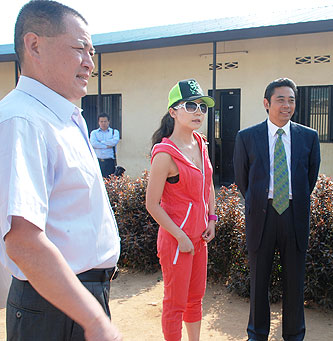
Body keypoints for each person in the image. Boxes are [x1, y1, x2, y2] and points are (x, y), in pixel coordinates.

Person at [0, 1, 122, 340]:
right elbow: (24, 241)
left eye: (92, 52)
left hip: (73, 299)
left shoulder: (62, 118)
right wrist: (94, 321)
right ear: (35, 45)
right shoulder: (21, 120)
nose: (89, 63)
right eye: (80, 48)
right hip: (52, 308)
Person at [233, 78, 320, 340]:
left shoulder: (309, 137)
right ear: (266, 103)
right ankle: (256, 334)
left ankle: (294, 335)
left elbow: (310, 177)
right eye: (281, 99)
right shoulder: (247, 137)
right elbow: (242, 178)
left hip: (294, 214)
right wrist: (261, 201)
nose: (287, 105)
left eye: (291, 99)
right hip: (262, 216)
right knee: (259, 281)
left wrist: (293, 199)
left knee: (294, 282)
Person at [145, 79, 216, 341]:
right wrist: (181, 237)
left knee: (195, 299)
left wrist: (212, 218)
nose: (198, 111)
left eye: (202, 106)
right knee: (175, 303)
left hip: (200, 238)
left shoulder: (201, 143)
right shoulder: (164, 154)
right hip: (177, 242)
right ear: (173, 111)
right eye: (190, 105)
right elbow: (152, 205)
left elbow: (208, 183)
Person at [90, 113, 120, 178]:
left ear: (108, 122)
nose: (103, 123)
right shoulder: (94, 133)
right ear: (98, 122)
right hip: (97, 161)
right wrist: (107, 146)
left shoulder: (114, 132)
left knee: (109, 182)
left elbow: (114, 142)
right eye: (101, 121)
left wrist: (101, 142)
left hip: (110, 161)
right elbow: (94, 144)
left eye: (105, 121)